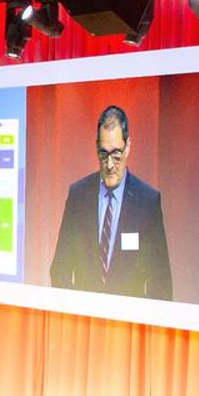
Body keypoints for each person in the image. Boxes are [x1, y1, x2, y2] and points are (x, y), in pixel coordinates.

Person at [48, 104, 173, 300]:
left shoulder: (148, 202)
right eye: (103, 153)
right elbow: (60, 269)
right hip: (83, 316)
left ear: (128, 147)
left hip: (128, 318)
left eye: (116, 154)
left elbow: (161, 283)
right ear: (96, 146)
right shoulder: (78, 196)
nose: (109, 165)